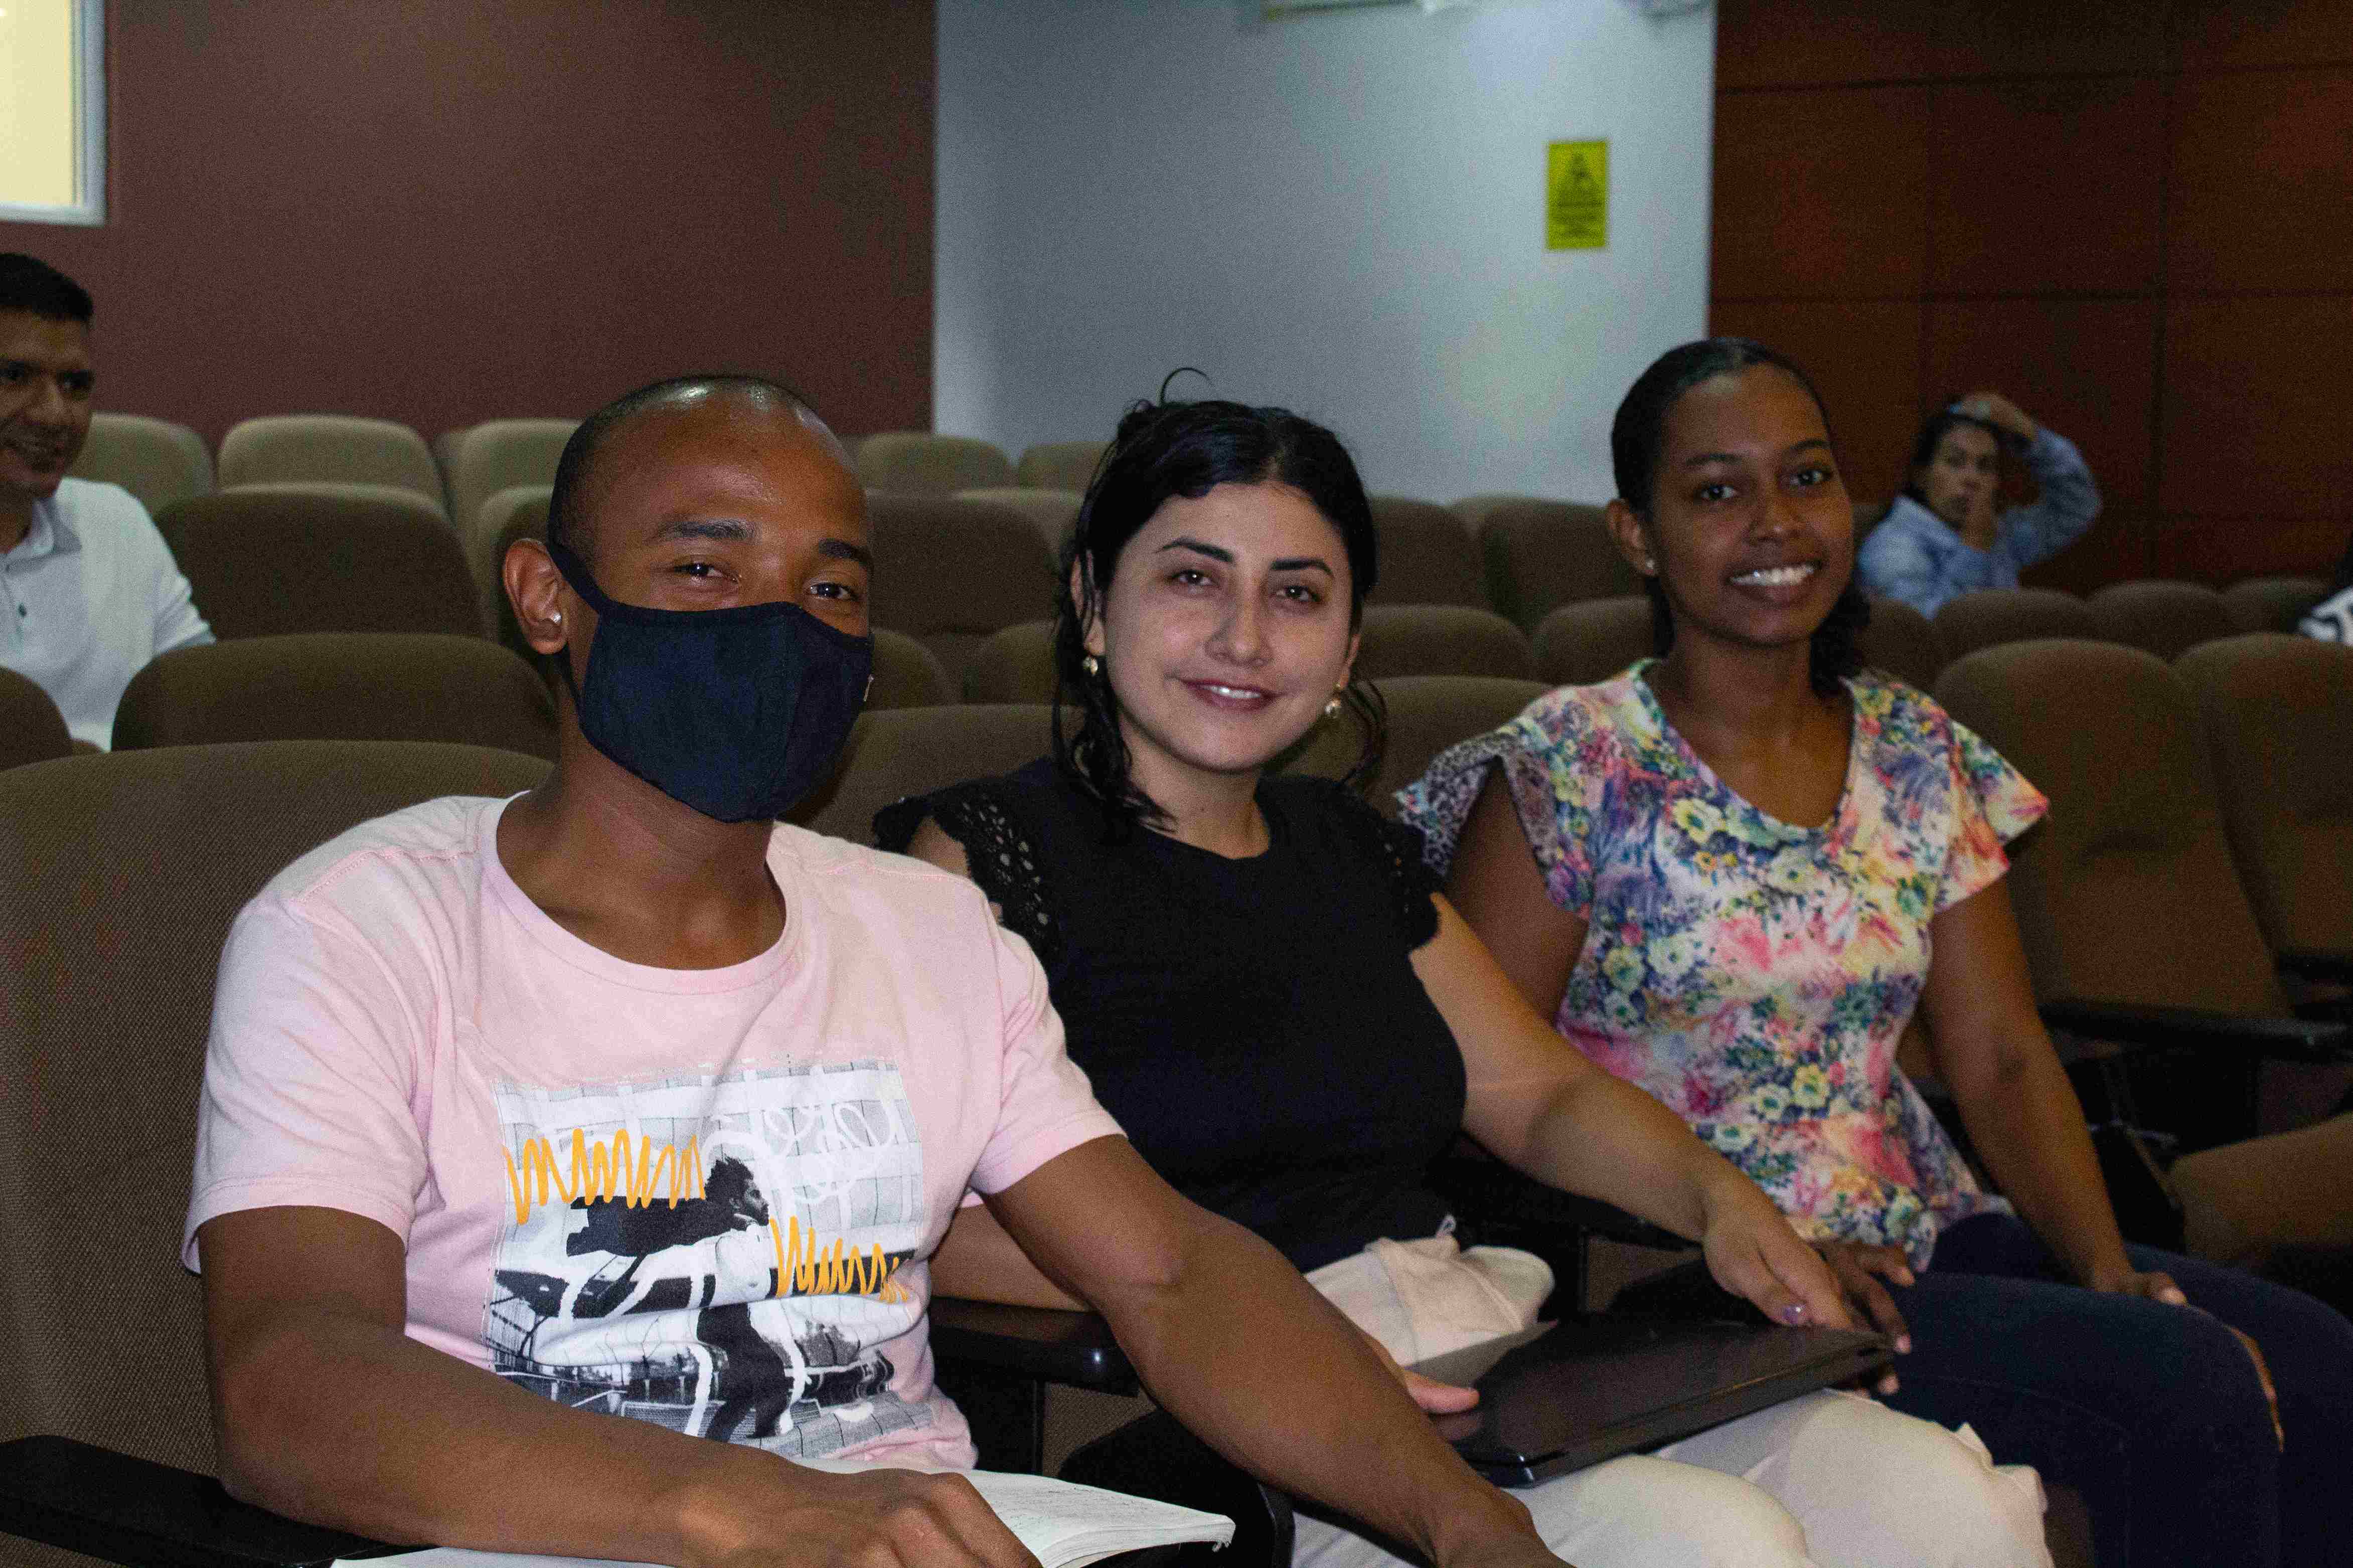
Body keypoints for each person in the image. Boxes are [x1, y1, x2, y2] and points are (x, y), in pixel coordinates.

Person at [186, 376, 1580, 1568]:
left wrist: (1470, 1529)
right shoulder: (358, 929)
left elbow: (1172, 1271)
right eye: (704, 569)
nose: (777, 623)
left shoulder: (929, 931)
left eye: (831, 588)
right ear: (550, 598)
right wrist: (762, 1510)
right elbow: (290, 1378)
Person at [879, 395, 2053, 1568]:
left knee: (1939, 1500)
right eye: (1193, 579)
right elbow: (908, 1225)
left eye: (1297, 594)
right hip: (1217, 1417)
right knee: (1715, 1544)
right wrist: (1252, 1324)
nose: (1243, 638)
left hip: (1479, 1356)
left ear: (1347, 648)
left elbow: (1539, 1094)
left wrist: (1720, 1200)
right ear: (1093, 602)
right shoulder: (987, 860)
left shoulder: (1347, 848)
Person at [1401, 337, 2353, 1568]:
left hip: (1917, 1233)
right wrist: (1723, 1237)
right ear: (1635, 534)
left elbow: (2001, 1057)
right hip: (1683, 1274)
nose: (1774, 520)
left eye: (1805, 477)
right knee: (2184, 1386)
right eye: (1716, 490)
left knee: (2317, 1358)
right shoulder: (1568, 768)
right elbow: (1479, 1105)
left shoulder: (1915, 750)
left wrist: (2105, 1268)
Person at [0, 252, 210, 749]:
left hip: (137, 797)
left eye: (75, 385)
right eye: (15, 376)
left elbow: (204, 709)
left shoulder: (118, 520)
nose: (55, 415)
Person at [1855, 392, 2098, 618]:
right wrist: (1973, 550)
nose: (1972, 479)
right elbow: (1928, 636)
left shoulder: (1998, 533)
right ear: (1921, 476)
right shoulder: (1892, 547)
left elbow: (2078, 505)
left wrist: (2029, 434)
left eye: (1985, 466)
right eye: (1955, 462)